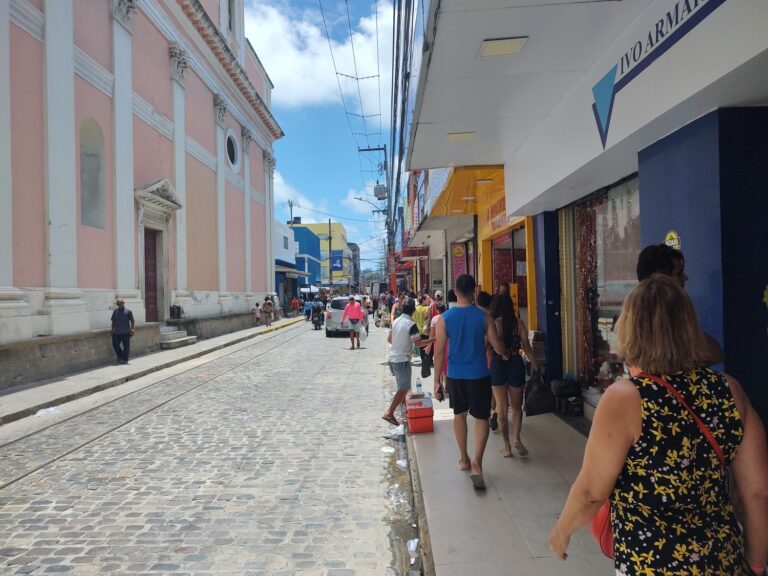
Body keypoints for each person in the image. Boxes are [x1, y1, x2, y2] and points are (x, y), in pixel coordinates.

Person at [549, 275, 768, 575]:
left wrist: (561, 533)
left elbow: (591, 491)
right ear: (689, 328)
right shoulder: (729, 391)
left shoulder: (625, 399)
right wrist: (755, 562)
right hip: (722, 561)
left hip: (650, 565)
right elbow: (758, 492)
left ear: (630, 329)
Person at [432, 274, 510, 491]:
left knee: (459, 415)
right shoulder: (484, 317)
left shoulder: (444, 319)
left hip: (456, 375)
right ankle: (477, 462)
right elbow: (496, 344)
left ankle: (464, 459)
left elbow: (439, 353)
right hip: (479, 375)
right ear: (474, 291)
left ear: (456, 291)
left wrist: (437, 380)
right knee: (481, 418)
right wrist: (505, 354)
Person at [636, 243, 725, 365]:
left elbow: (715, 354)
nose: (685, 277)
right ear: (661, 279)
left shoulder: (636, 319)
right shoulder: (638, 324)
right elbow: (713, 354)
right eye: (679, 273)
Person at [489, 290, 540, 458]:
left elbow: (485, 345)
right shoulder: (519, 324)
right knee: (517, 407)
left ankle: (507, 447)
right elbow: (526, 345)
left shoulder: (494, 325)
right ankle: (517, 438)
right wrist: (535, 365)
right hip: (516, 363)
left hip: (497, 364)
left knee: (502, 410)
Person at [382, 298, 431, 426]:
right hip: (402, 360)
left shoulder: (396, 321)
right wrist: (433, 339)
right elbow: (419, 343)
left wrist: (400, 345)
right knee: (404, 388)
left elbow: (389, 339)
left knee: (402, 388)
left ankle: (405, 413)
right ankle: (389, 412)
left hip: (393, 359)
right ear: (414, 311)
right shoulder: (411, 324)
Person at [413, 294, 433, 378]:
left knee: (421, 347)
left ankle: (423, 360)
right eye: (428, 299)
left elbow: (413, 318)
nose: (429, 300)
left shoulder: (416, 308)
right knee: (428, 346)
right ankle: (428, 361)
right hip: (425, 331)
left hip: (417, 330)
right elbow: (425, 315)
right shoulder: (427, 308)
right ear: (424, 300)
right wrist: (431, 305)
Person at [110, 299, 135, 364]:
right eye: (118, 304)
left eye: (120, 304)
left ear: (123, 304)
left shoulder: (128, 311)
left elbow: (132, 321)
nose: (119, 306)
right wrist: (112, 330)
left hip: (126, 332)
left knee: (126, 346)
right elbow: (113, 321)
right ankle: (120, 356)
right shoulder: (115, 311)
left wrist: (132, 329)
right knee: (115, 344)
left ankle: (125, 359)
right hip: (116, 332)